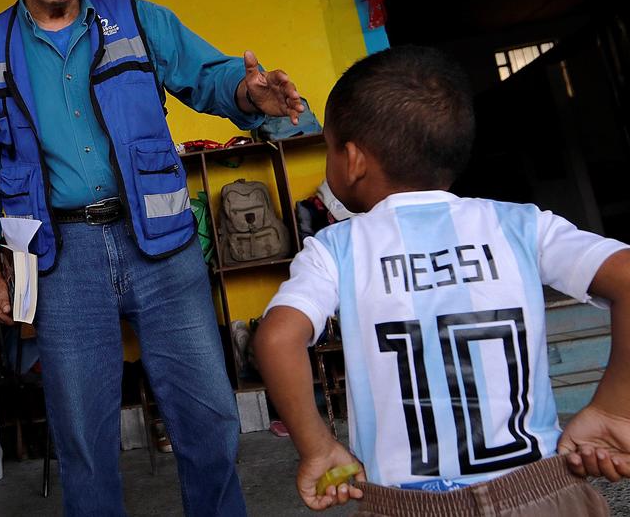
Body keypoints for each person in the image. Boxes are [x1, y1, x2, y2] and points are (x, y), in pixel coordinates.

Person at [0, 0, 305, 516]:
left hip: (162, 249)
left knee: (208, 417)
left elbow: (211, 77)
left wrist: (250, 95)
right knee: (83, 437)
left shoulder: (137, 20)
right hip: (61, 259)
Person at [255, 45, 630, 516]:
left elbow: (276, 339)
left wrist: (317, 446)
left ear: (353, 159)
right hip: (540, 490)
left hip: (405, 505)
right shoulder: (522, 226)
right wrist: (616, 407)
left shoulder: (335, 249)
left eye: (328, 146)